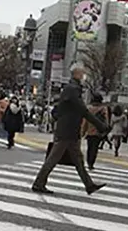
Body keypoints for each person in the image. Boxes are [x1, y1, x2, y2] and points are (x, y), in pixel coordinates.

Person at [31, 62, 108, 195]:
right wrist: (100, 125)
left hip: (70, 129)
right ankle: (39, 182)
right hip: (67, 130)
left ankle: (89, 185)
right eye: (83, 73)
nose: (84, 75)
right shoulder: (72, 89)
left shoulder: (72, 88)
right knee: (54, 157)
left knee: (78, 159)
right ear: (77, 74)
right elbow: (83, 110)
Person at [83, 94, 107, 170]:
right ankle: (91, 163)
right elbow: (106, 121)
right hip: (98, 131)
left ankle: (89, 161)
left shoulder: (89, 109)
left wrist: (83, 131)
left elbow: (85, 121)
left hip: (89, 131)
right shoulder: (103, 109)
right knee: (95, 148)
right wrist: (105, 130)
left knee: (89, 147)